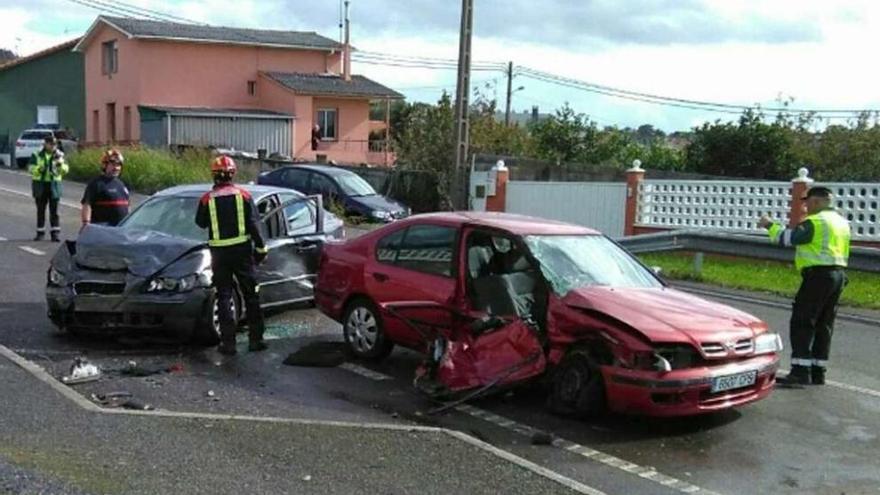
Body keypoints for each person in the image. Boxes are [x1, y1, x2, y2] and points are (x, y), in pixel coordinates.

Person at [759, 186, 850, 387]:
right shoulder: (842, 223)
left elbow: (788, 239)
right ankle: (818, 372)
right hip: (838, 276)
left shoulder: (815, 222)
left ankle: (800, 371)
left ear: (816, 202)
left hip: (818, 277)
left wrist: (769, 225)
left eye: (807, 202)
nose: (806, 206)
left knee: (803, 321)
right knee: (824, 324)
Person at [195, 155, 269, 355]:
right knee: (251, 294)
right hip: (243, 253)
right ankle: (256, 340)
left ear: (214, 175)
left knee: (224, 296)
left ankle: (228, 344)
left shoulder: (207, 199)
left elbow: (200, 223)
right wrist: (261, 250)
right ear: (233, 174)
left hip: (219, 255)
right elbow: (255, 224)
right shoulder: (243, 196)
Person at [29, 135, 68, 242]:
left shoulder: (59, 155)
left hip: (54, 185)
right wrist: (39, 169)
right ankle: (40, 233)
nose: (53, 146)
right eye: (50, 144)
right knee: (41, 210)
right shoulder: (36, 155)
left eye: (54, 144)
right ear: (45, 144)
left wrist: (61, 166)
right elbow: (30, 168)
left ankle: (55, 233)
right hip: (40, 185)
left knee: (54, 211)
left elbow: (66, 169)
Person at [81, 149, 130, 228]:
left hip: (120, 228)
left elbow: (127, 206)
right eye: (113, 164)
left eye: (119, 165)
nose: (116, 168)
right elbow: (87, 204)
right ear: (105, 165)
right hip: (102, 228)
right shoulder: (96, 183)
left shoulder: (122, 184)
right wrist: (86, 223)